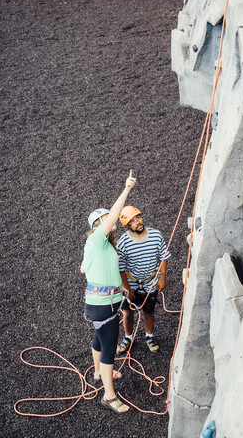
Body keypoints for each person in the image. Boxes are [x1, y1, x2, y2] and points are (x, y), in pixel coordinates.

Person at [80, 171, 136, 414]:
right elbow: (114, 215)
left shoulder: (97, 246)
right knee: (109, 349)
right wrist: (126, 189)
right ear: (98, 225)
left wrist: (116, 284)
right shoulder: (96, 240)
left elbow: (83, 269)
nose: (110, 222)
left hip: (100, 302)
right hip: (105, 305)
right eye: (105, 220)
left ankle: (97, 372)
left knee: (99, 338)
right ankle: (109, 396)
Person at [116, 206, 171, 354]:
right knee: (128, 312)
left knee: (149, 310)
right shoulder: (123, 243)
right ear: (127, 226)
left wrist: (162, 278)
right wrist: (127, 288)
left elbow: (163, 257)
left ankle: (149, 336)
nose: (138, 222)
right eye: (133, 221)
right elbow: (120, 269)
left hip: (150, 282)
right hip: (131, 282)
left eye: (138, 218)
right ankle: (128, 337)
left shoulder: (156, 235)